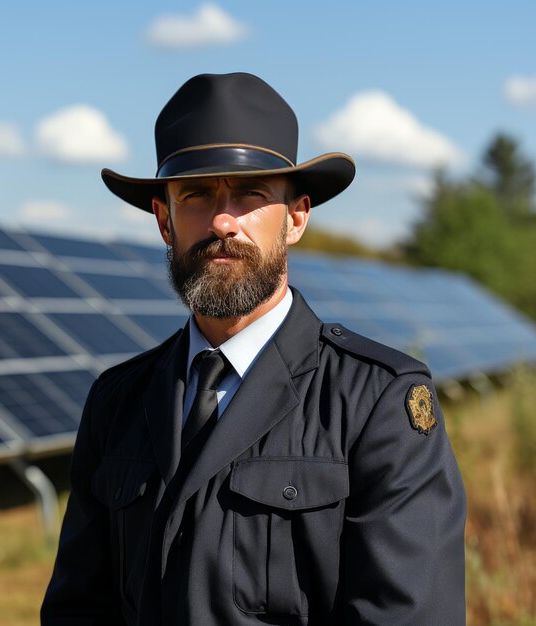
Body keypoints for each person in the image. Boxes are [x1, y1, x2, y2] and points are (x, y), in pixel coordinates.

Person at [41, 72, 466, 625]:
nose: (223, 221)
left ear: (296, 218)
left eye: (249, 194)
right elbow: (79, 609)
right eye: (195, 195)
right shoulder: (117, 401)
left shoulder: (376, 401)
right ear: (165, 222)